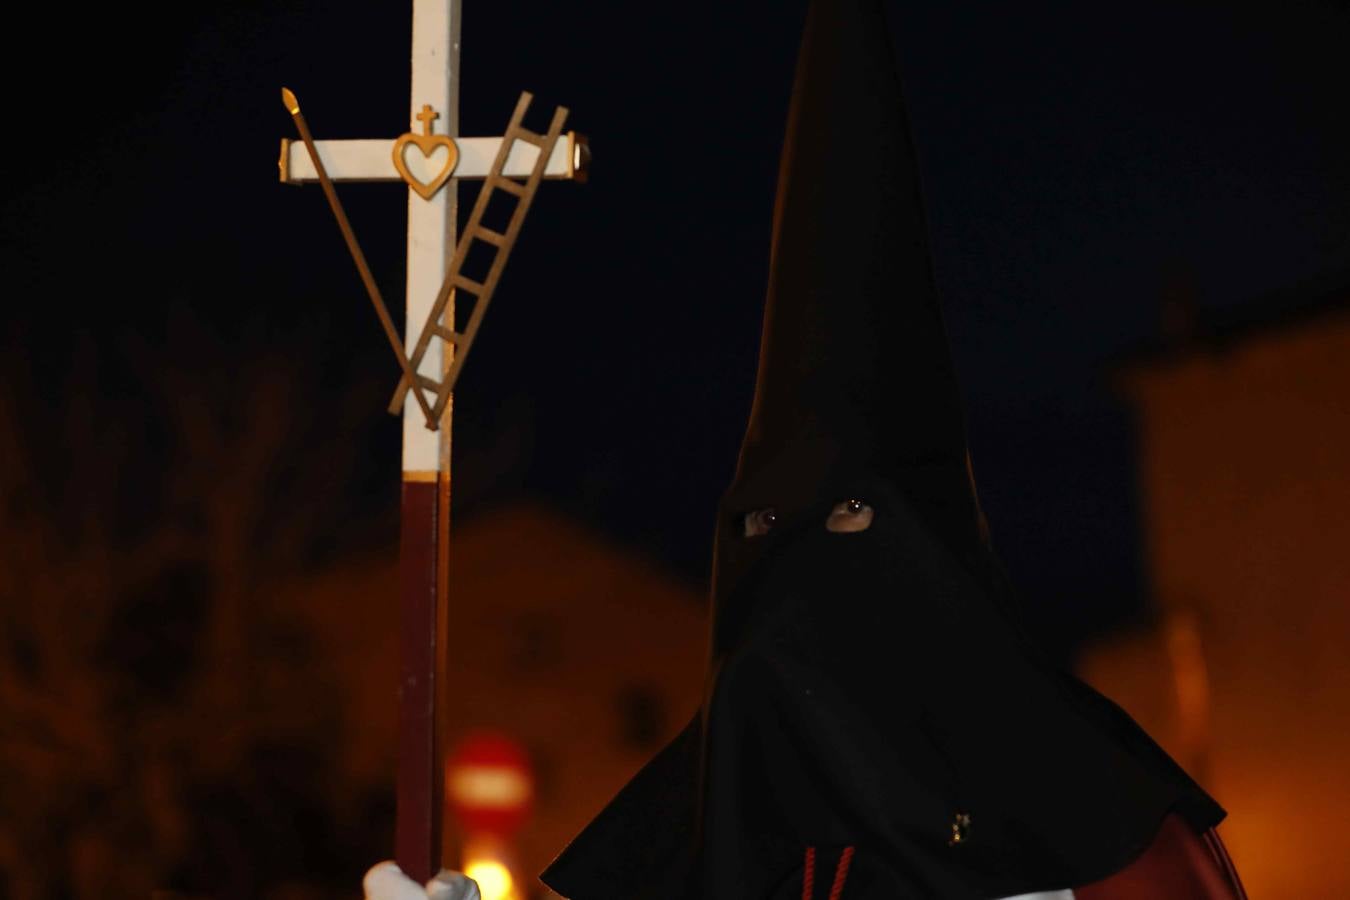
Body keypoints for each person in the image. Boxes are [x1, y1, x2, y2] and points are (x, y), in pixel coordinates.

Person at [369, 0, 1248, 897]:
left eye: (853, 516)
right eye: (763, 525)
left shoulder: (1110, 841)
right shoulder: (684, 831)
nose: (795, 581)